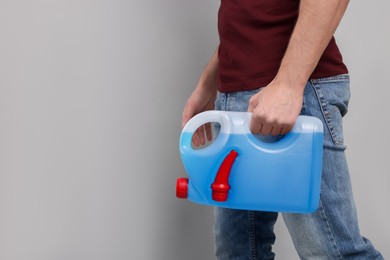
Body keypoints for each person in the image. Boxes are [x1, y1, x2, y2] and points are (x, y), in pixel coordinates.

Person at [181, 0, 384, 259]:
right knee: (239, 251)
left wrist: (289, 84)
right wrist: (209, 84)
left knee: (333, 253)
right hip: (240, 98)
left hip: (294, 93)